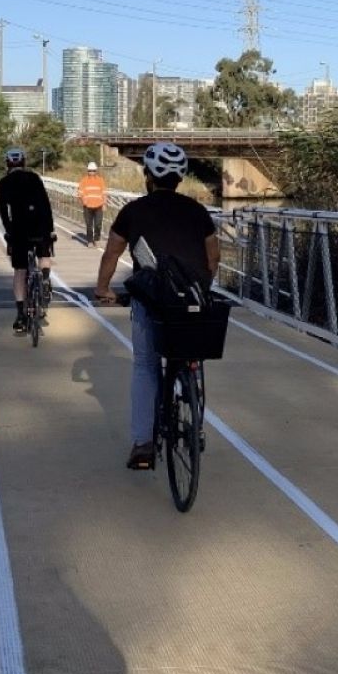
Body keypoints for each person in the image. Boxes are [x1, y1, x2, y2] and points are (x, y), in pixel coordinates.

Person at [94, 141, 219, 469]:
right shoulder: (198, 211)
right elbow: (213, 256)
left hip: (152, 302)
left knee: (146, 366)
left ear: (148, 175)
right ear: (180, 178)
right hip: (192, 303)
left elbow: (112, 252)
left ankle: (143, 444)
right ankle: (195, 424)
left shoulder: (134, 211)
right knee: (191, 358)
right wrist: (202, 286)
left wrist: (103, 288)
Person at [0, 147, 56, 334]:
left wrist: (9, 233)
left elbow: (4, 212)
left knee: (20, 271)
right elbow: (46, 205)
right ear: (24, 162)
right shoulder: (35, 178)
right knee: (44, 254)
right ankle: (45, 281)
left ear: (8, 163)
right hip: (40, 227)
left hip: (19, 230)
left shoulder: (4, 183)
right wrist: (50, 230)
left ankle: (21, 315)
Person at [77, 161, 108, 244]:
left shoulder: (100, 180)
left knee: (98, 224)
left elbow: (104, 193)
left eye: (93, 171)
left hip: (98, 206)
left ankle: (97, 239)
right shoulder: (83, 181)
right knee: (89, 225)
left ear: (96, 171)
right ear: (88, 171)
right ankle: (90, 241)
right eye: (90, 171)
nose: (92, 172)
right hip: (87, 206)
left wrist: (104, 204)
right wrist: (84, 202)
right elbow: (80, 193)